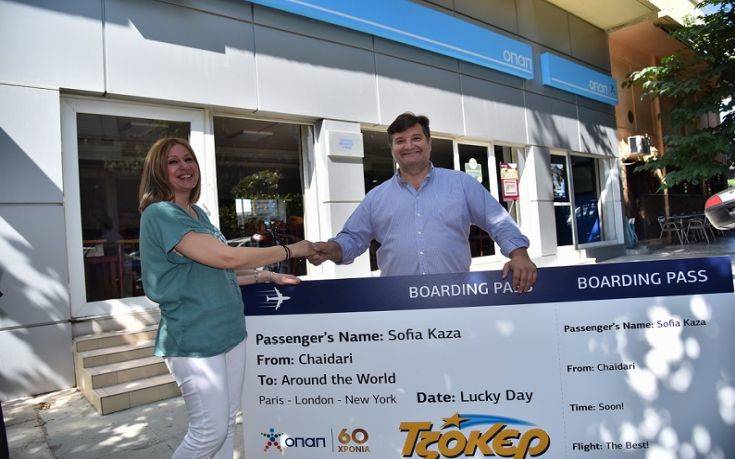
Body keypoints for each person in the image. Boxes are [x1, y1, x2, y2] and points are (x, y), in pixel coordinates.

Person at [138, 138, 314, 458]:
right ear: (158, 171)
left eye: (188, 159)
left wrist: (265, 276)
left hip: (229, 332)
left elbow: (216, 271)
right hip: (194, 337)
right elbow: (227, 257)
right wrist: (291, 250)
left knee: (228, 423)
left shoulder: (196, 213)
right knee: (209, 431)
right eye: (173, 162)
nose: (184, 167)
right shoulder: (160, 213)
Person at [309, 112, 537, 292]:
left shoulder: (461, 184)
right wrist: (331, 249)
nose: (409, 146)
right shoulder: (376, 197)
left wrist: (519, 254)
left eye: (416, 138)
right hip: (398, 300)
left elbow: (497, 220)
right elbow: (352, 238)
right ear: (392, 149)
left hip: (455, 295)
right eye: (400, 141)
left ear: (429, 143)